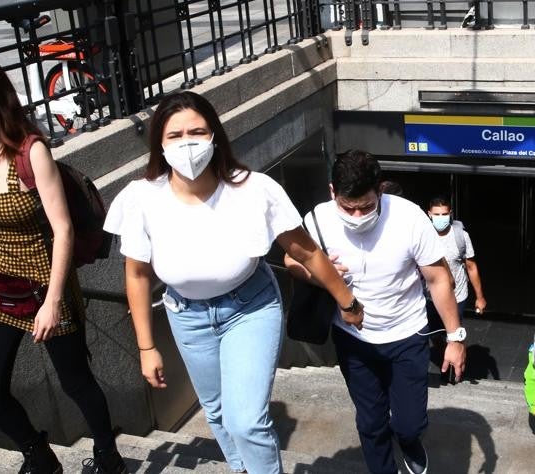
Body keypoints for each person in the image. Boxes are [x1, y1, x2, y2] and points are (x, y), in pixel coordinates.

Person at [106, 91, 363, 474]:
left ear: (215, 136)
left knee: (247, 420)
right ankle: (241, 467)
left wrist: (347, 302)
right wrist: (146, 346)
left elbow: (307, 252)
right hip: (187, 316)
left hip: (250, 307)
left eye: (197, 131)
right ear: (159, 143)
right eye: (175, 135)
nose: (187, 143)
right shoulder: (141, 199)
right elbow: (137, 274)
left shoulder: (253, 189)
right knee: (218, 411)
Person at [0, 55, 127, 474]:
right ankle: (39, 456)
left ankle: (108, 457)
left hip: (47, 282)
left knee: (75, 381)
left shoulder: (30, 151)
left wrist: (54, 301)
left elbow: (63, 229)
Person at [285, 151, 466, 474]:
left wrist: (455, 337)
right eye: (347, 206)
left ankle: (410, 445)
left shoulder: (409, 218)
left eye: (366, 206)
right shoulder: (318, 219)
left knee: (410, 423)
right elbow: (291, 260)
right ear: (332, 193)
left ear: (380, 190)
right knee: (370, 423)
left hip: (407, 335)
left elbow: (439, 279)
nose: (356, 215)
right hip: (352, 339)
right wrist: (320, 274)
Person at [424, 196, 487, 317]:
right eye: (436, 214)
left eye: (444, 214)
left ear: (450, 213)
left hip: (457, 297)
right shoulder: (423, 236)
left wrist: (480, 297)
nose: (440, 218)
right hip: (430, 298)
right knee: (434, 334)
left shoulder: (461, 236)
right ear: (429, 214)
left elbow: (471, 267)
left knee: (454, 333)